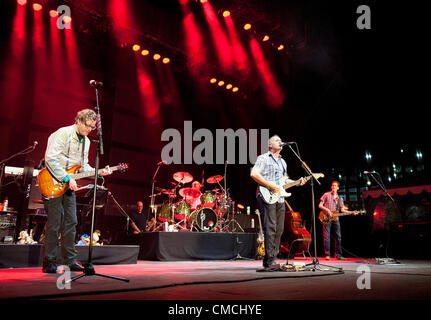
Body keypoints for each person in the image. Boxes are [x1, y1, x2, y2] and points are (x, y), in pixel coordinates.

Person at [42, 109, 112, 273]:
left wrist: (99, 171)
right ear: (78, 121)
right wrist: (67, 178)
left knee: (71, 222)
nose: (89, 130)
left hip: (68, 185)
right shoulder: (63, 133)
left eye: (92, 127)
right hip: (52, 181)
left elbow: (83, 166)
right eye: (87, 126)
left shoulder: (86, 141)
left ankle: (70, 260)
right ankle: (49, 261)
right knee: (55, 223)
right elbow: (50, 158)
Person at [251, 135, 306, 271]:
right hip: (266, 196)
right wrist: (271, 185)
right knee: (270, 226)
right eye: (276, 140)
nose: (280, 142)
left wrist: (297, 182)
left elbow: (284, 180)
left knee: (279, 229)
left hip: (280, 198)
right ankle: (269, 260)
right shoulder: (263, 158)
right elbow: (254, 174)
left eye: (280, 140)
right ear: (270, 145)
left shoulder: (283, 162)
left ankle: (272, 258)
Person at [318, 180, 349, 260]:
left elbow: (342, 210)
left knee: (338, 237)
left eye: (335, 186)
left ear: (338, 188)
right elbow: (320, 205)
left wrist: (352, 212)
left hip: (335, 218)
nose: (333, 187)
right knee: (327, 237)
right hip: (326, 217)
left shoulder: (340, 199)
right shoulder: (326, 195)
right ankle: (327, 254)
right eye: (332, 185)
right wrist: (327, 210)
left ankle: (338, 255)